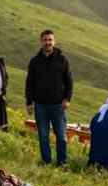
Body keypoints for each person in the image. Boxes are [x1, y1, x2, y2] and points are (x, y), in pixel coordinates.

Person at [26, 30, 74, 165]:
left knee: (61, 137)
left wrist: (67, 99)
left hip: (58, 105)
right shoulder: (35, 61)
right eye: (45, 40)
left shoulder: (62, 59)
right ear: (41, 42)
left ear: (54, 41)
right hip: (40, 105)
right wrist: (29, 102)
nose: (47, 43)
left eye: (50, 40)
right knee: (43, 137)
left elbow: (69, 80)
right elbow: (30, 82)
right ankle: (46, 162)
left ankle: (62, 162)